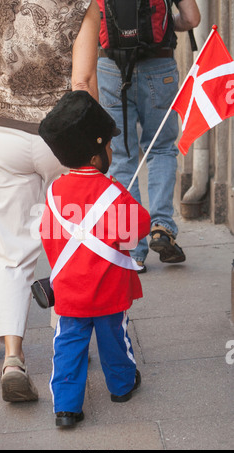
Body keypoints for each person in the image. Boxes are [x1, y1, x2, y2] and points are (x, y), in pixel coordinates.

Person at [0, 0, 101, 403]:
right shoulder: (83, 5)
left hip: (4, 136)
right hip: (58, 137)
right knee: (69, 242)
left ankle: (13, 357)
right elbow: (82, 81)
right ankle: (67, 338)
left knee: (11, 252)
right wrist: (98, 142)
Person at [38, 90, 151, 428]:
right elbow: (139, 227)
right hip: (109, 293)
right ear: (97, 154)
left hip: (71, 294)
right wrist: (118, 195)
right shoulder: (112, 192)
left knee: (68, 347)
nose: (112, 150)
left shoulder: (56, 191)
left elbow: (48, 234)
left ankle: (67, 407)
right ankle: (121, 385)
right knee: (115, 339)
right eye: (109, 146)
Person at [97, 0, 201, 272]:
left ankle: (133, 251)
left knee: (121, 156)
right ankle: (161, 226)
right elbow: (192, 19)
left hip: (110, 68)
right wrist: (163, 27)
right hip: (160, 64)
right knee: (162, 148)